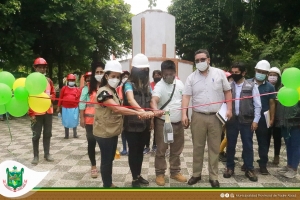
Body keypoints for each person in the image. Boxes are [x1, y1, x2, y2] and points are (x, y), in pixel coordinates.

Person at [93, 60, 153, 188]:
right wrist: (139, 113)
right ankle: (107, 185)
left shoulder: (113, 91)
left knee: (110, 159)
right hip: (104, 132)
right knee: (106, 160)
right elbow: (117, 109)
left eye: (118, 76)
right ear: (106, 76)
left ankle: (110, 183)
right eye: (113, 76)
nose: (116, 79)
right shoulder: (103, 91)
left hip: (113, 131)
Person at [182, 49, 232, 188]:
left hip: (216, 117)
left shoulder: (219, 73)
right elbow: (186, 96)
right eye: (197, 60)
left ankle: (213, 176)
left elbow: (227, 91)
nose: (200, 62)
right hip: (198, 116)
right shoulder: (191, 77)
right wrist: (184, 114)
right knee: (197, 147)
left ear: (208, 60)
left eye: (202, 59)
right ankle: (196, 174)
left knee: (214, 148)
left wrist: (229, 109)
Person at [223, 62, 262, 182]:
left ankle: (249, 168)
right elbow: (224, 103)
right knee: (230, 145)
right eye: (232, 72)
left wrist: (256, 120)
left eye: (237, 72)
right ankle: (230, 167)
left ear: (244, 73)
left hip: (247, 121)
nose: (234, 75)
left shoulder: (251, 86)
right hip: (232, 121)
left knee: (248, 146)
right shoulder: (228, 86)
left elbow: (258, 105)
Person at [150, 60, 187, 186]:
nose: (168, 77)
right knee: (161, 149)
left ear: (175, 73)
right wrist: (155, 109)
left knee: (177, 149)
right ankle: (160, 173)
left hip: (178, 122)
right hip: (164, 122)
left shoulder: (180, 84)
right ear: (162, 74)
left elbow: (184, 101)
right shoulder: (159, 86)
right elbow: (154, 100)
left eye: (171, 74)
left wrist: (185, 115)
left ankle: (175, 171)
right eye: (165, 74)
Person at [123, 53, 153, 187]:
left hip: (145, 125)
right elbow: (130, 99)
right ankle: (134, 178)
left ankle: (139, 175)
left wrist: (152, 117)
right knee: (133, 151)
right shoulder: (128, 84)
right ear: (134, 70)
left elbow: (151, 101)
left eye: (145, 70)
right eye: (140, 70)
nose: (143, 72)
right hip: (131, 125)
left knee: (141, 151)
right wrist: (141, 111)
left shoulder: (147, 85)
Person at [247, 60, 276, 175]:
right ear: (255, 70)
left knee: (263, 142)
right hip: (249, 117)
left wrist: (272, 118)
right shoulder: (247, 83)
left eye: (264, 72)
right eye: (259, 71)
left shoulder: (270, 87)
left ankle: (263, 164)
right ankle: (247, 163)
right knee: (247, 141)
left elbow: (272, 103)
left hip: (264, 118)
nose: (261, 73)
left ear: (267, 74)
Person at [79, 62, 105, 178]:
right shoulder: (88, 87)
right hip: (90, 121)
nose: (99, 74)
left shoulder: (108, 87)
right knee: (91, 142)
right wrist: (81, 118)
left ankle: (104, 167)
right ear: (94, 74)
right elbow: (82, 103)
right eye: (97, 72)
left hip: (104, 121)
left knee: (104, 144)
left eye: (101, 72)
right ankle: (93, 166)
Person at [29, 57, 56, 165]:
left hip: (48, 112)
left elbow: (53, 93)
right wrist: (31, 113)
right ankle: (36, 156)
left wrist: (51, 98)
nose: (42, 69)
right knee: (36, 134)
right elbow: (28, 98)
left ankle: (47, 153)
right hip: (36, 113)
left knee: (48, 133)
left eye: (44, 67)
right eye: (39, 67)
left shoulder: (49, 81)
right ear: (35, 68)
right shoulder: (31, 81)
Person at [57, 74, 81, 139]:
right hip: (65, 108)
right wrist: (58, 107)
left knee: (75, 120)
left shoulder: (77, 89)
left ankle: (75, 134)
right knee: (66, 120)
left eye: (72, 80)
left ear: (74, 81)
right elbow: (60, 98)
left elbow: (79, 99)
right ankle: (66, 135)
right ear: (67, 81)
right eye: (70, 80)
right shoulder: (64, 88)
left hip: (74, 108)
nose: (71, 81)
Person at [144, 70, 162, 154]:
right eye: (155, 75)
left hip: (159, 111)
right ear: (153, 76)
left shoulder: (162, 85)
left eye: (159, 75)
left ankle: (155, 145)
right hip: (149, 110)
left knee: (157, 129)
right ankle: (147, 146)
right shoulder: (149, 85)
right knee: (148, 129)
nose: (157, 76)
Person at [267, 67, 282, 164]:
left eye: (275, 75)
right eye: (270, 75)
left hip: (279, 116)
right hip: (267, 115)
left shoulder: (282, 88)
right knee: (266, 137)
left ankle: (277, 155)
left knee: (277, 137)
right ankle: (264, 155)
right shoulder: (266, 87)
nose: (272, 77)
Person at [219, 71, 233, 162]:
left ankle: (223, 152)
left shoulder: (230, 88)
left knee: (226, 135)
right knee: (226, 135)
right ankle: (219, 151)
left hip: (228, 113)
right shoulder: (222, 89)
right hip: (223, 113)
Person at [117, 71, 131, 156]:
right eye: (123, 76)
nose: (125, 78)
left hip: (130, 112)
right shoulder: (119, 88)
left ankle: (130, 148)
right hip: (121, 113)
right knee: (123, 131)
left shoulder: (131, 87)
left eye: (127, 76)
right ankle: (124, 148)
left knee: (129, 131)